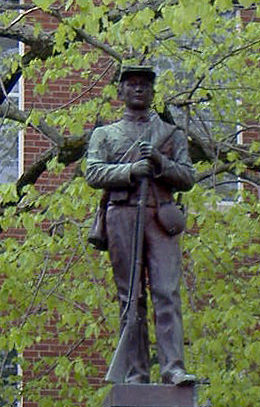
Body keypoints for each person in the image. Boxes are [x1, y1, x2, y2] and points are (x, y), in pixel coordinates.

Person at [86, 64, 195, 385]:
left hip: (160, 218)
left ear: (152, 92)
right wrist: (130, 170)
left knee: (167, 292)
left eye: (144, 85)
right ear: (120, 91)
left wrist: (161, 162)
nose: (138, 89)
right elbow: (93, 172)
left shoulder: (170, 134)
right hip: (121, 215)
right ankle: (135, 374)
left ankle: (173, 368)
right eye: (132, 84)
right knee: (130, 297)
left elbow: (187, 177)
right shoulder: (105, 135)